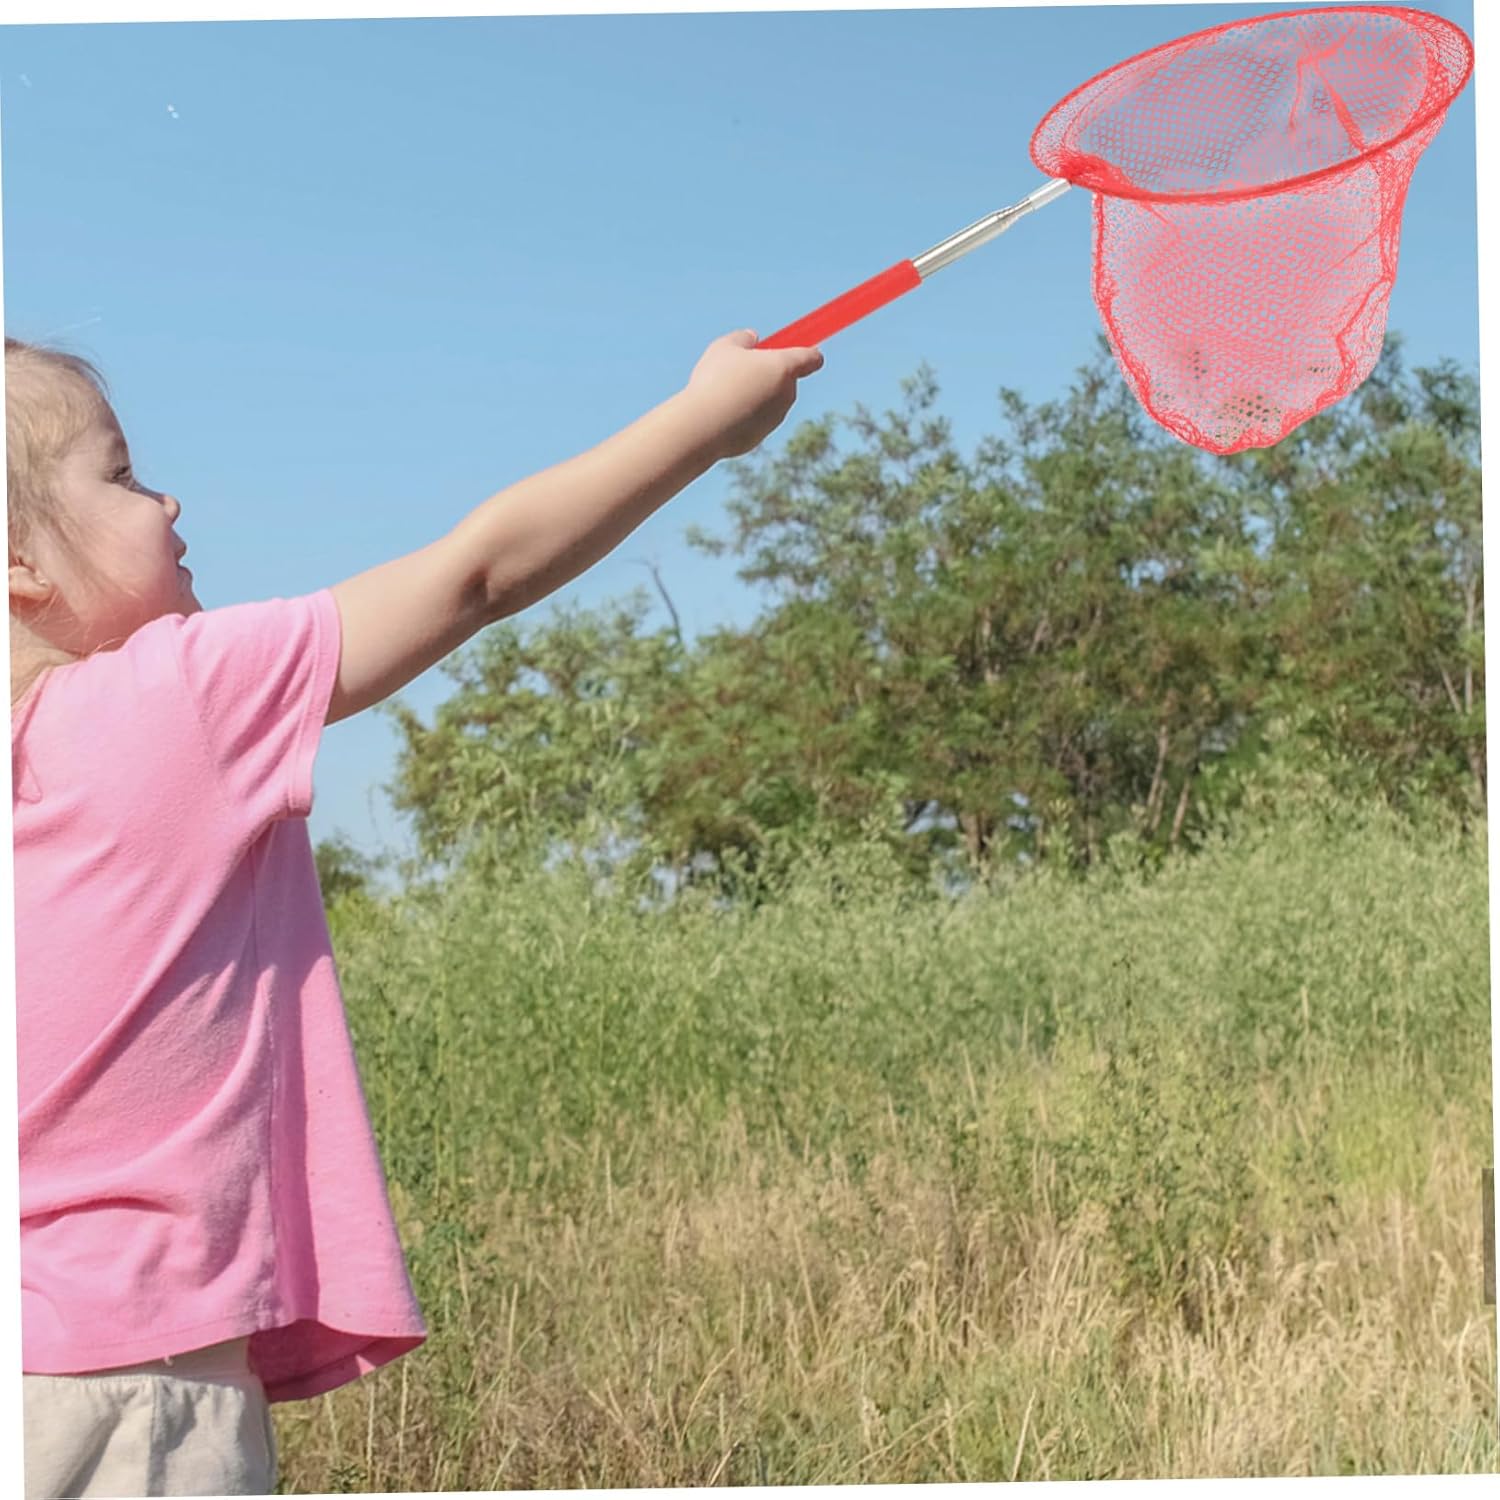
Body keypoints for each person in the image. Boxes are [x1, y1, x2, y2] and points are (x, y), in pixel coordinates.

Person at [8, 328, 822, 1497]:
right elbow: (475, 575)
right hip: (132, 1382)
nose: (168, 498)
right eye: (124, 473)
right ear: (20, 560)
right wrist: (709, 422)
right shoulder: (173, 699)